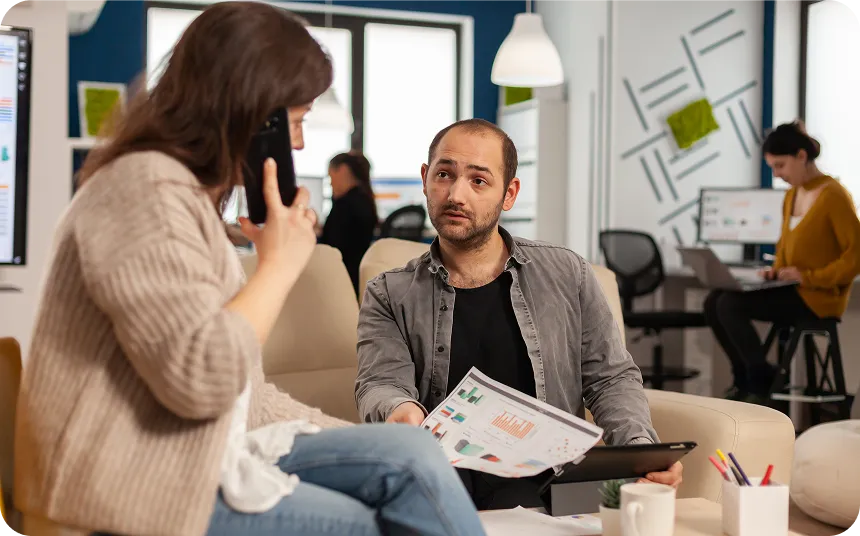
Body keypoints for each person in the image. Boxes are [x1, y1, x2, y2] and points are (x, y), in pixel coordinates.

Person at [12, 5, 485, 536]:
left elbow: (245, 399)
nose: (301, 145)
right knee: (363, 518)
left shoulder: (182, 197)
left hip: (197, 451)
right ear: (253, 117)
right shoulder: (141, 192)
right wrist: (278, 266)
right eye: (298, 122)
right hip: (126, 476)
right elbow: (201, 384)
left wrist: (369, 439)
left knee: (411, 451)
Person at [355, 118, 682, 511]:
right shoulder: (389, 292)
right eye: (444, 174)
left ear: (508, 194)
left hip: (547, 486)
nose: (456, 194)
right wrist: (399, 410)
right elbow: (380, 383)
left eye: (479, 181)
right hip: (441, 484)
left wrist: (639, 453)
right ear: (426, 179)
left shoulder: (567, 273)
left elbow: (610, 378)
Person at [704, 121, 860, 402]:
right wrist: (775, 271)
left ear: (801, 156)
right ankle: (748, 375)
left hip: (818, 297)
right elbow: (787, 248)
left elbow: (855, 257)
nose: (777, 175)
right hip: (793, 289)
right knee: (713, 302)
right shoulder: (791, 195)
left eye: (780, 166)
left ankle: (759, 378)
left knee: (729, 304)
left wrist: (807, 277)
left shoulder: (834, 196)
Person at [319, 151, 378, 293]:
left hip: (341, 278)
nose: (331, 183)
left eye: (331, 176)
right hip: (355, 277)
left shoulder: (345, 205)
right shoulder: (364, 200)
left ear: (343, 170)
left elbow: (331, 248)